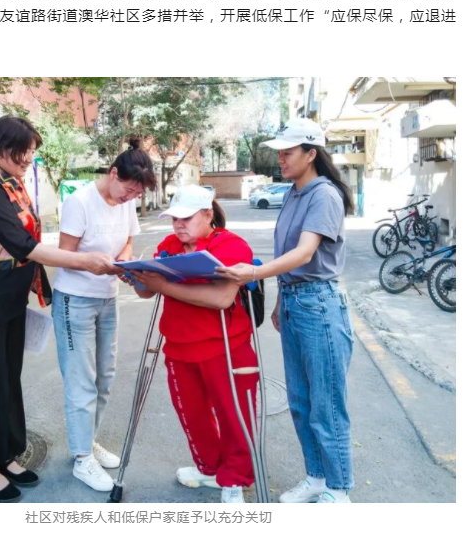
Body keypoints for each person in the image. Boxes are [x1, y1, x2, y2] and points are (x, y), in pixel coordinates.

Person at [0, 115, 116, 502]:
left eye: (31, 151)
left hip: (9, 298)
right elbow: (21, 244)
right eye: (23, 150)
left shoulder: (12, 181)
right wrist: (83, 261)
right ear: (1, 147)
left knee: (8, 380)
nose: (29, 157)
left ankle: (6, 456)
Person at [217, 118, 355, 504]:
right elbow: (289, 256)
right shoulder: (295, 193)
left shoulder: (323, 195)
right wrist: (280, 300)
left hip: (319, 305)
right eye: (279, 152)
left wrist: (254, 273)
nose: (280, 158)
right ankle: (316, 478)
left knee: (326, 405)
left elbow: (305, 253)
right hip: (296, 302)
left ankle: (338, 491)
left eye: (287, 152)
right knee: (300, 402)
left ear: (310, 154)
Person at [128, 185, 258, 505]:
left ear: (208, 214)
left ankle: (235, 478)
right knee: (192, 414)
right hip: (179, 345)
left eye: (186, 218)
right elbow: (148, 292)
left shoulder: (231, 245)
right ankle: (211, 468)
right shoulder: (168, 246)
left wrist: (163, 285)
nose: (178, 225)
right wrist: (135, 278)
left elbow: (222, 298)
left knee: (234, 415)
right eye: (174, 218)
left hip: (225, 346)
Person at [52, 140, 157, 492]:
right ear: (113, 173)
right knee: (81, 380)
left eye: (137, 194)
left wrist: (124, 260)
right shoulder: (80, 202)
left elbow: (127, 242)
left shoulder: (126, 203)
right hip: (75, 299)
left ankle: (88, 440)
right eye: (129, 190)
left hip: (107, 298)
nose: (131, 198)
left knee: (105, 377)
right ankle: (83, 458)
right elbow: (64, 255)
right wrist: (92, 263)